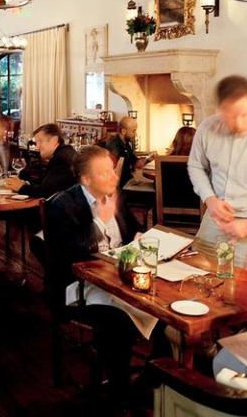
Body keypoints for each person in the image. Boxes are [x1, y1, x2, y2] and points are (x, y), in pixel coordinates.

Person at [45, 146, 149, 398]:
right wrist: (99, 223)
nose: (113, 177)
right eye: (104, 173)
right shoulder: (63, 205)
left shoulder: (116, 195)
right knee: (118, 324)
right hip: (80, 286)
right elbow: (70, 256)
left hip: (119, 278)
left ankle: (151, 382)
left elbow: (132, 229)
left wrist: (140, 236)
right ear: (85, 179)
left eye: (112, 171)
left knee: (164, 316)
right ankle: (119, 390)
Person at [188, 76, 247, 264]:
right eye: (231, 116)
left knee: (246, 288)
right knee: (198, 273)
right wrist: (209, 198)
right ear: (220, 110)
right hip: (214, 221)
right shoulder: (206, 128)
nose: (239, 123)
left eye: (245, 114)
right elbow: (196, 165)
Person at [3, 123, 76, 199]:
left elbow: (45, 193)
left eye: (40, 141)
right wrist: (26, 183)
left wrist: (21, 187)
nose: (37, 146)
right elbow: (47, 183)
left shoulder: (61, 160)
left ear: (54, 140)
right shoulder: (64, 152)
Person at [103, 115, 154, 189]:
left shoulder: (126, 143)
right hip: (122, 186)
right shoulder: (114, 146)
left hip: (129, 181)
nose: (135, 134)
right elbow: (115, 171)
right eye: (133, 131)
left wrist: (148, 159)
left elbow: (135, 162)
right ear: (123, 131)